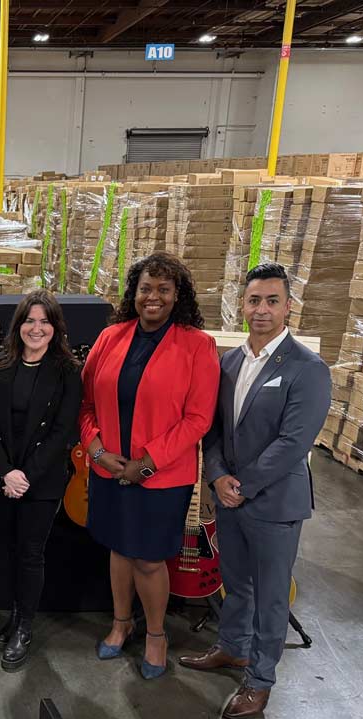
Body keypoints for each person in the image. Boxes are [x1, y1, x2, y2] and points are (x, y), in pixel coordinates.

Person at [181, 262, 331, 719]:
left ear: (288, 306)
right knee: (237, 583)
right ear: (242, 304)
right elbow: (214, 430)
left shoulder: (307, 369)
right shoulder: (228, 362)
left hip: (273, 503)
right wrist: (219, 478)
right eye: (253, 300)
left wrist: (241, 485)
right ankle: (232, 647)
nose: (261, 309)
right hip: (230, 496)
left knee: (270, 595)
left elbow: (294, 442)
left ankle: (260, 680)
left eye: (271, 301)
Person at [79, 253, 219, 679]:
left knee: (148, 560)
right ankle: (121, 623)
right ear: (133, 294)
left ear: (178, 296)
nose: (152, 297)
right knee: (119, 551)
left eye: (163, 289)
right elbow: (84, 404)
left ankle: (156, 634)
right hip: (108, 469)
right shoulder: (110, 338)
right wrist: (98, 451)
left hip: (161, 477)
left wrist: (146, 463)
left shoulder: (197, 345)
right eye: (145, 289)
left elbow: (198, 418)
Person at [0, 290, 83, 672]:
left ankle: (24, 626)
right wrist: (6, 471)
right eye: (29, 320)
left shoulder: (67, 371)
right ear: (18, 325)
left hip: (42, 479)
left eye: (44, 321)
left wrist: (26, 476)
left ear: (55, 328)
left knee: (30, 554)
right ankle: (16, 614)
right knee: (10, 548)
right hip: (4, 477)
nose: (36, 329)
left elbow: (63, 432)